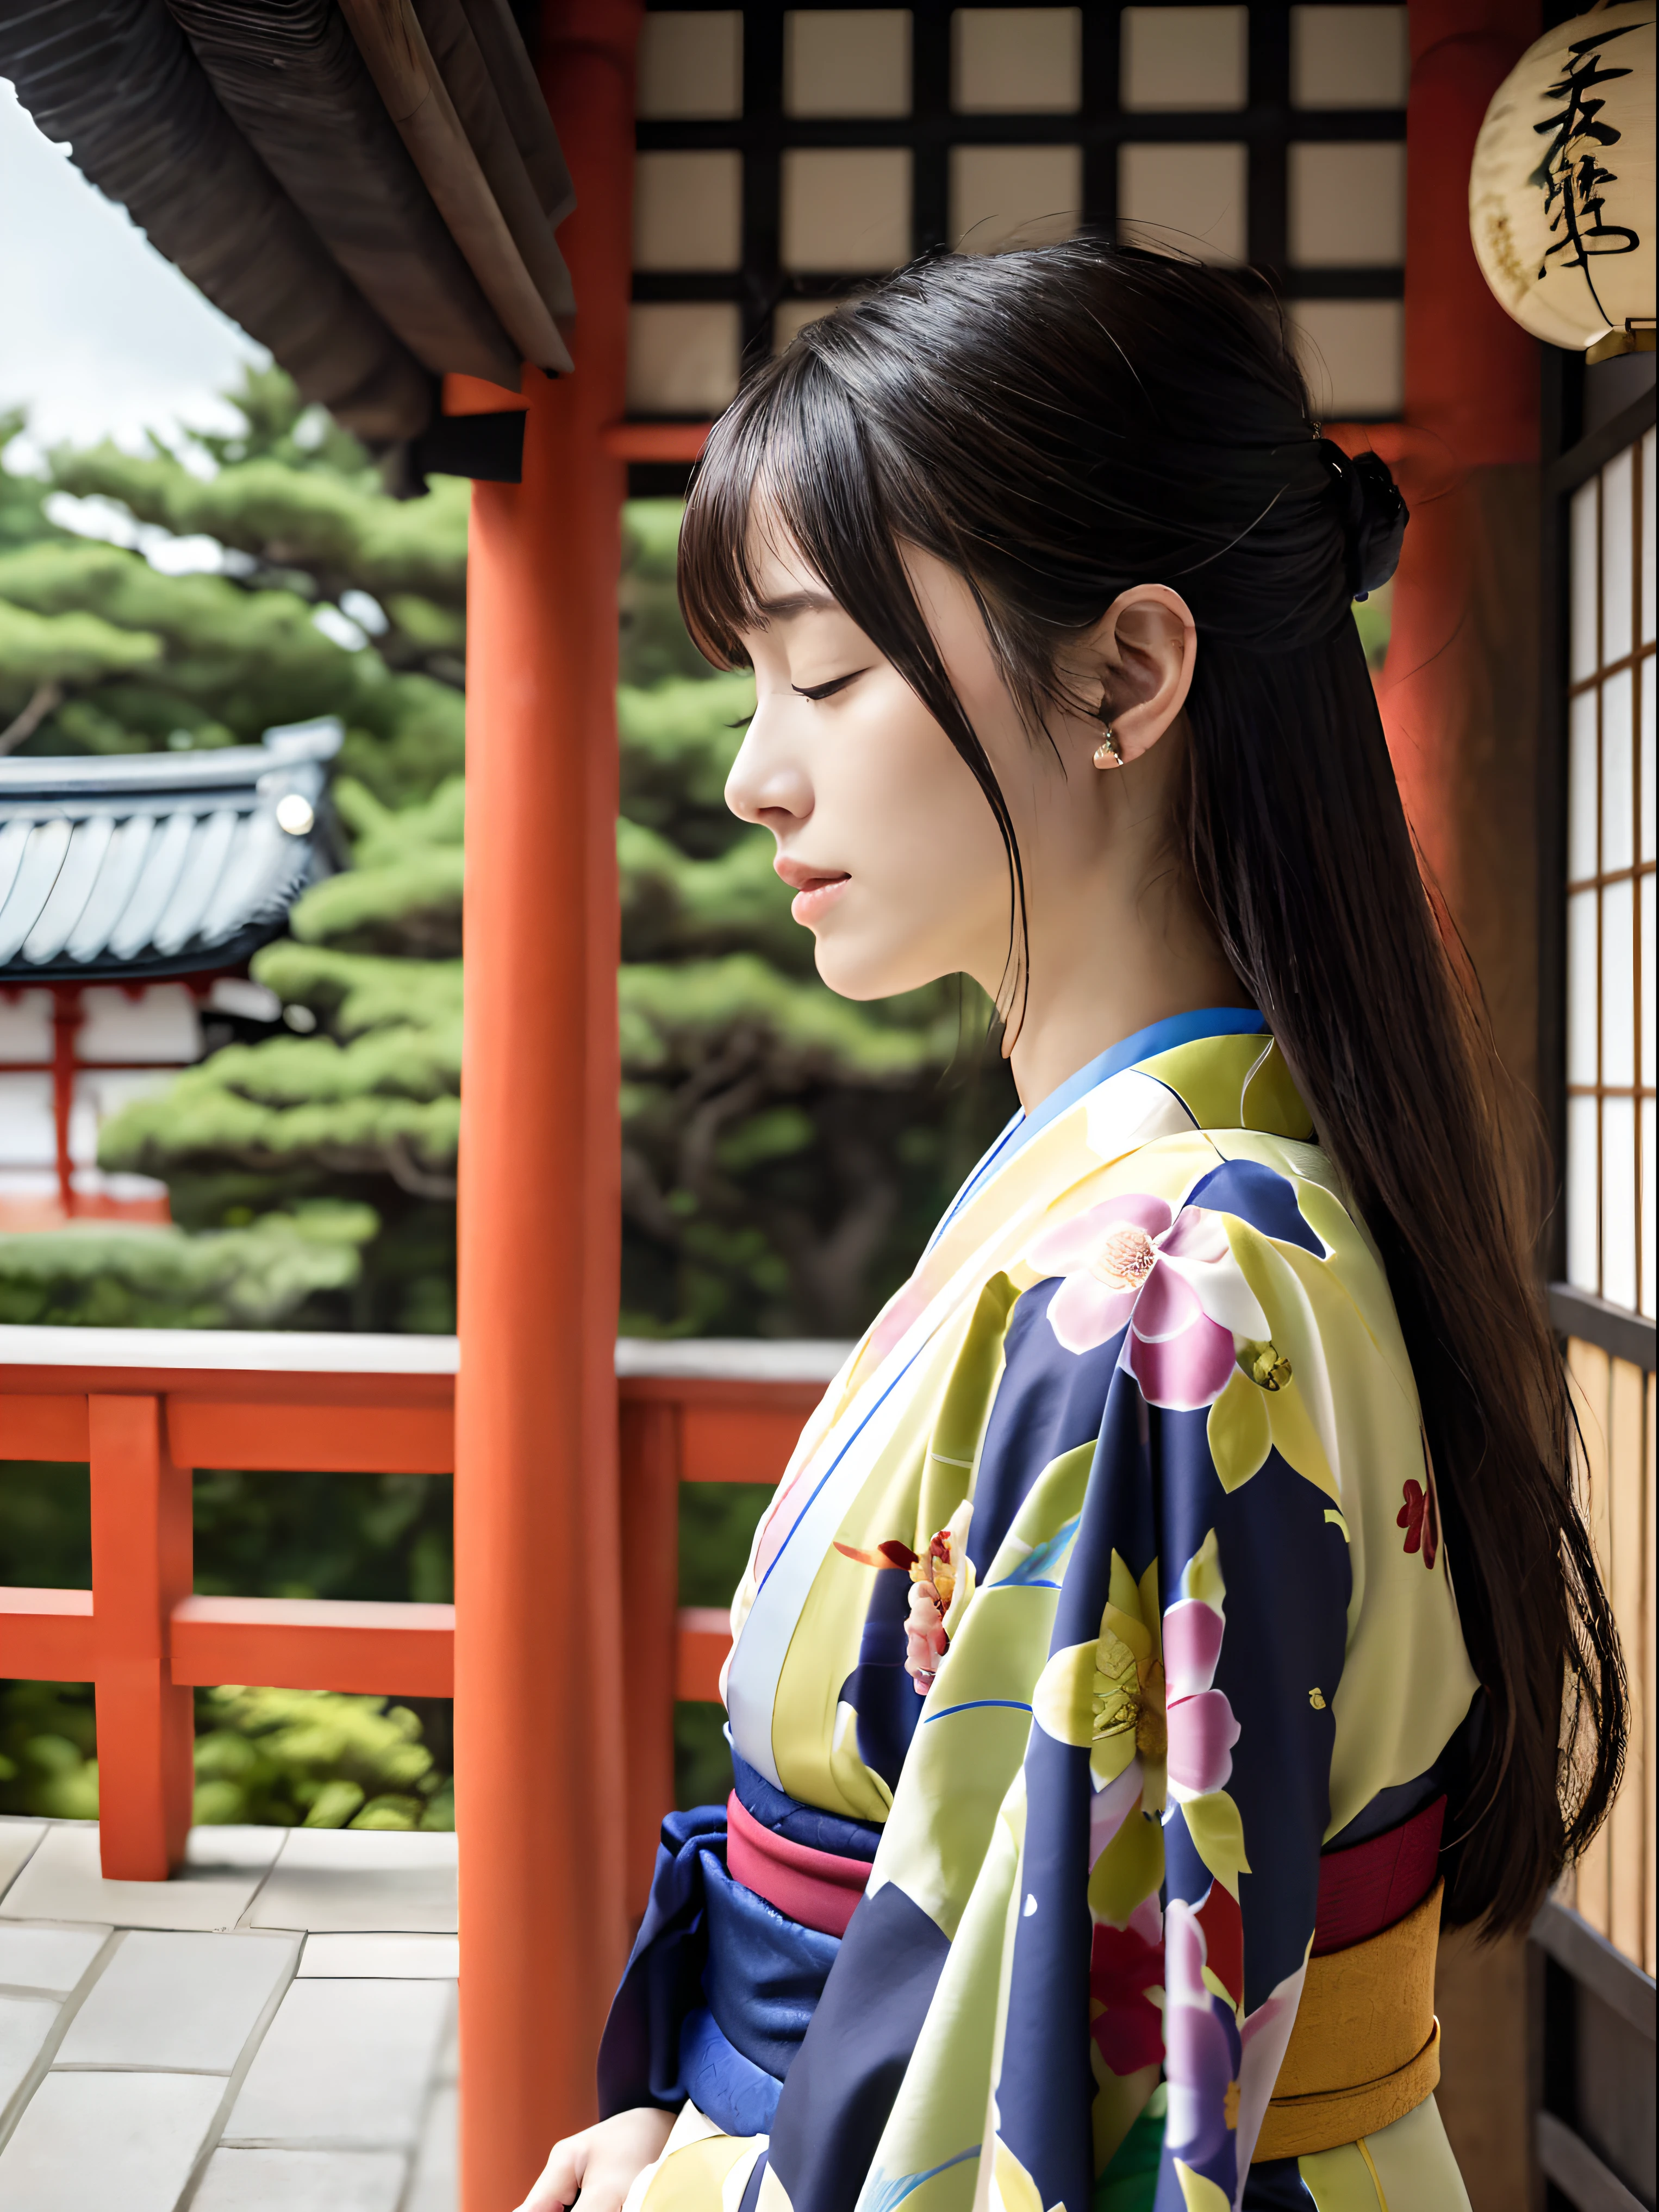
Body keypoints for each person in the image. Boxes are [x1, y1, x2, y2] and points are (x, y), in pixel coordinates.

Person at [517, 242, 1625, 2212]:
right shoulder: (1193, 1201)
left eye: (829, 673)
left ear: (1125, 675)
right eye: (757, 683)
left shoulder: (1169, 1281)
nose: (754, 774)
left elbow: (1044, 2141)